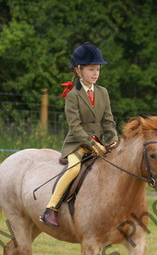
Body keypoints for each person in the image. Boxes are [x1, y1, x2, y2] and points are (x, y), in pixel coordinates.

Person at [40, 42, 118, 227]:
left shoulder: (103, 92)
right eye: (91, 69)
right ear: (78, 70)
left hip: (100, 144)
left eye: (98, 69)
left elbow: (108, 121)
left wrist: (113, 138)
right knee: (74, 169)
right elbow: (74, 127)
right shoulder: (72, 95)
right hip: (77, 145)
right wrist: (93, 145)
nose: (95, 73)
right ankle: (51, 208)